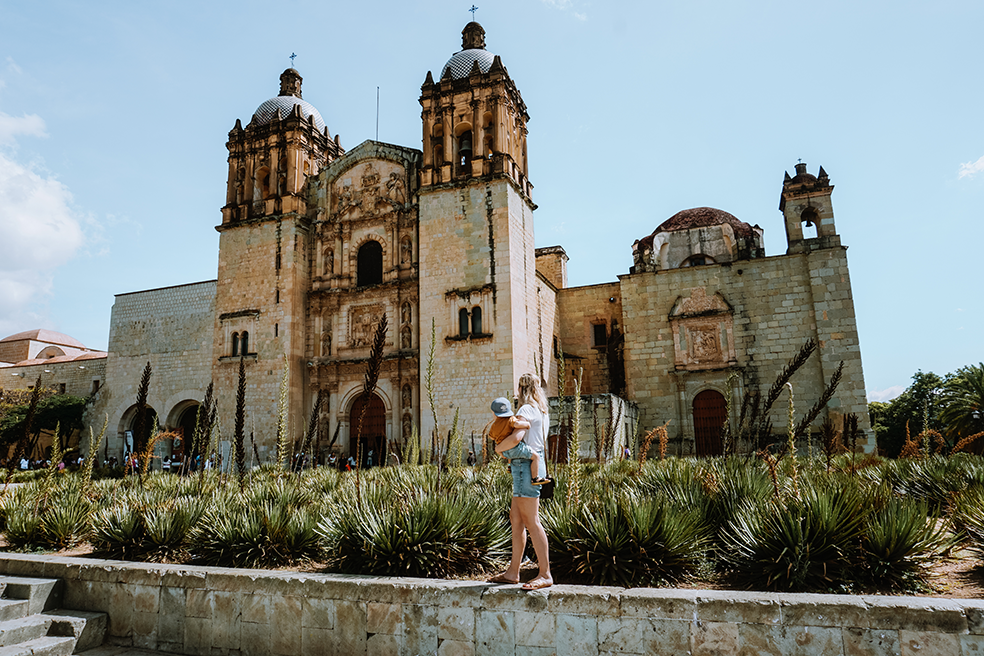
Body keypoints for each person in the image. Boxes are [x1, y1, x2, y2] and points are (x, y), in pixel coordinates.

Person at [487, 373, 553, 591]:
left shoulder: (525, 410)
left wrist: (498, 448)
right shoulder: (541, 411)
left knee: (531, 522)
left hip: (525, 467)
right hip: (529, 465)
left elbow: (516, 439)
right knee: (516, 519)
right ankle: (513, 572)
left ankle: (545, 574)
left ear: (521, 389)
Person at [487, 398, 547, 486]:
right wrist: (527, 425)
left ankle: (509, 466)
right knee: (536, 457)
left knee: (507, 446)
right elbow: (517, 424)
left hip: (505, 452)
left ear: (494, 413)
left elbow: (491, 437)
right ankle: (535, 478)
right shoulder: (510, 420)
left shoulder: (493, 426)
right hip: (515, 449)